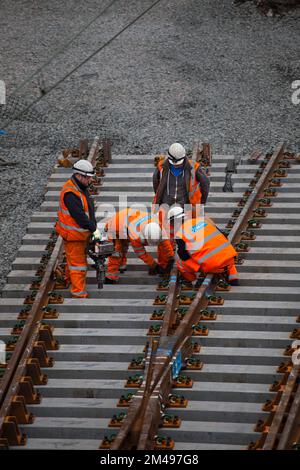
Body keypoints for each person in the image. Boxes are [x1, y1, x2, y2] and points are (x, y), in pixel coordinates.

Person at [55, 159, 100, 298]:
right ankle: (78, 292)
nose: (90, 180)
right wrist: (93, 229)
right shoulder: (71, 193)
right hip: (74, 236)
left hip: (79, 235)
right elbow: (79, 216)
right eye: (88, 177)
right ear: (79, 176)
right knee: (78, 265)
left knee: (73, 262)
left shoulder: (80, 188)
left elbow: (87, 211)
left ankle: (68, 280)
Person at [168, 206, 239, 285]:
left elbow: (184, 256)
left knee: (179, 260)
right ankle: (233, 278)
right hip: (230, 259)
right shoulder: (203, 221)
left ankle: (194, 281)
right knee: (223, 252)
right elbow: (224, 236)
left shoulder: (180, 234)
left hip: (213, 266)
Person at [104, 208, 174, 283]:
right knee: (117, 251)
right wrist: (154, 265)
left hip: (128, 219)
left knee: (124, 246)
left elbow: (165, 242)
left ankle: (121, 264)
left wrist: (171, 257)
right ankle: (110, 276)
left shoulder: (158, 226)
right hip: (115, 225)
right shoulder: (135, 235)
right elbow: (141, 254)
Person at [152, 142, 210, 211]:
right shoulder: (161, 167)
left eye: (178, 163)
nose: (176, 165)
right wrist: (159, 197)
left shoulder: (194, 167)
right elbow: (156, 182)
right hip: (166, 206)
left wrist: (202, 202)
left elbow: (205, 183)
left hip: (187, 207)